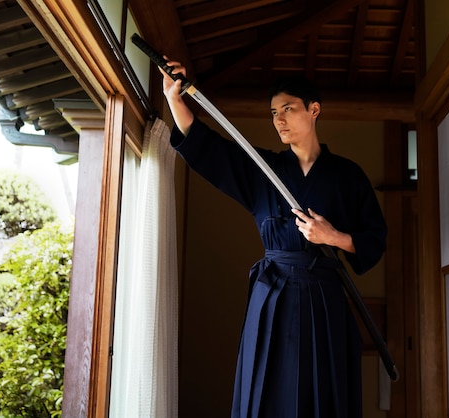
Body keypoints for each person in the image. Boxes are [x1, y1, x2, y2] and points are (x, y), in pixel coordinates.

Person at [161, 61, 387, 418]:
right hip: (273, 296)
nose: (278, 119)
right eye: (273, 112)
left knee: (323, 391)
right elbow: (211, 150)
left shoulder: (348, 175)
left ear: (314, 110)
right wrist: (174, 99)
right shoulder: (262, 169)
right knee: (267, 388)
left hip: (324, 298)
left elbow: (374, 240)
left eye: (288, 109)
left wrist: (334, 236)